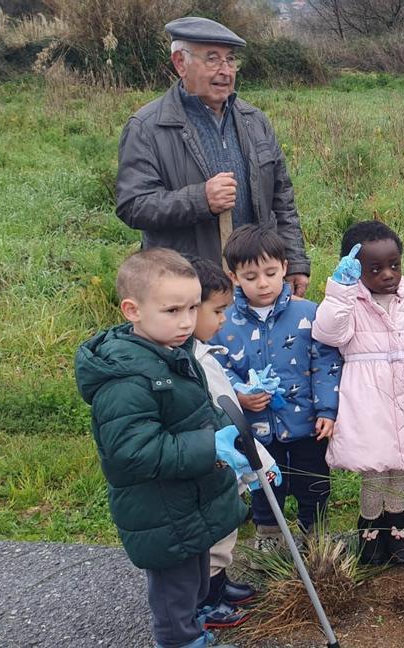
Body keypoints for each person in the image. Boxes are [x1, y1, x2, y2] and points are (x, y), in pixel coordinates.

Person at [74, 249, 247, 648]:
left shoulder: (174, 353)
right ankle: (179, 640)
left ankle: (193, 622)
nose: (186, 321)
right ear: (132, 310)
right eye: (172, 310)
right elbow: (131, 452)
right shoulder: (126, 380)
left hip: (189, 500)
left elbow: (201, 411)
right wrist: (210, 447)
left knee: (196, 577)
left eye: (192, 308)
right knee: (174, 590)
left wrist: (226, 435)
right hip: (162, 510)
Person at [115, 17, 311, 295]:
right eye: (212, 59)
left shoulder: (254, 121)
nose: (225, 71)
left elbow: (282, 199)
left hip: (255, 283)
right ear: (180, 63)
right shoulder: (147, 127)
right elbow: (133, 205)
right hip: (189, 286)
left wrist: (295, 262)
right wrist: (200, 199)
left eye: (230, 60)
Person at [311, 220, 404, 566]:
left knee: (399, 470)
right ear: (355, 269)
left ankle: (397, 534)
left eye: (394, 265)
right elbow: (328, 333)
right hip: (367, 402)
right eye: (375, 268)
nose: (388, 274)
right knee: (374, 471)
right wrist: (339, 289)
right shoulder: (350, 302)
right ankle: (369, 536)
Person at [212, 225, 341, 549]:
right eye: (251, 276)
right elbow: (217, 367)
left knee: (314, 484)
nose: (263, 283)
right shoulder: (224, 322)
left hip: (306, 425)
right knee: (264, 484)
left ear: (284, 267)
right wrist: (239, 395)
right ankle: (270, 539)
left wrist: (327, 409)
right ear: (234, 277)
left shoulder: (308, 314)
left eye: (270, 273)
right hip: (256, 430)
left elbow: (326, 363)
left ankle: (319, 539)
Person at [188, 257, 279, 629]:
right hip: (212, 459)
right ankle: (207, 602)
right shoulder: (190, 359)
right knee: (213, 534)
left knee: (226, 526)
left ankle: (220, 585)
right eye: (218, 311)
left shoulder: (205, 353)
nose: (223, 319)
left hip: (225, 461)